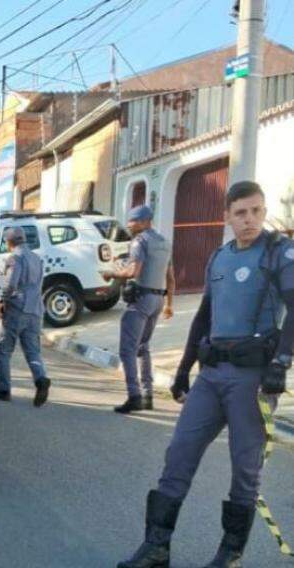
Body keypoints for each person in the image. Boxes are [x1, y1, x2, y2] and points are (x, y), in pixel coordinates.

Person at [117, 181, 293, 568]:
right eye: (241, 213)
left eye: (257, 211)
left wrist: (281, 363)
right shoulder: (220, 258)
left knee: (245, 470)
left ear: (263, 212)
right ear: (227, 216)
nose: (250, 220)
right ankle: (157, 547)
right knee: (178, 454)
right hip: (211, 376)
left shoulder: (279, 253)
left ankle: (229, 555)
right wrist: (183, 370)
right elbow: (204, 317)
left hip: (252, 379)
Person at [102, 205, 175, 414]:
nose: (129, 225)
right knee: (144, 347)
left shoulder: (140, 242)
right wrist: (169, 304)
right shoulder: (165, 243)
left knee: (128, 349)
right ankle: (147, 395)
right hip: (158, 299)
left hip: (141, 299)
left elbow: (134, 271)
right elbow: (171, 277)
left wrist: (111, 274)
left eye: (132, 221)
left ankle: (134, 396)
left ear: (144, 222)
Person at [0, 226, 51, 407]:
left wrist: (1, 301)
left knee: (2, 349)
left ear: (9, 241)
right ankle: (40, 378)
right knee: (32, 350)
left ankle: (4, 390)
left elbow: (10, 284)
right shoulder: (36, 258)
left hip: (17, 309)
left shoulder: (14, 258)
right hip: (36, 310)